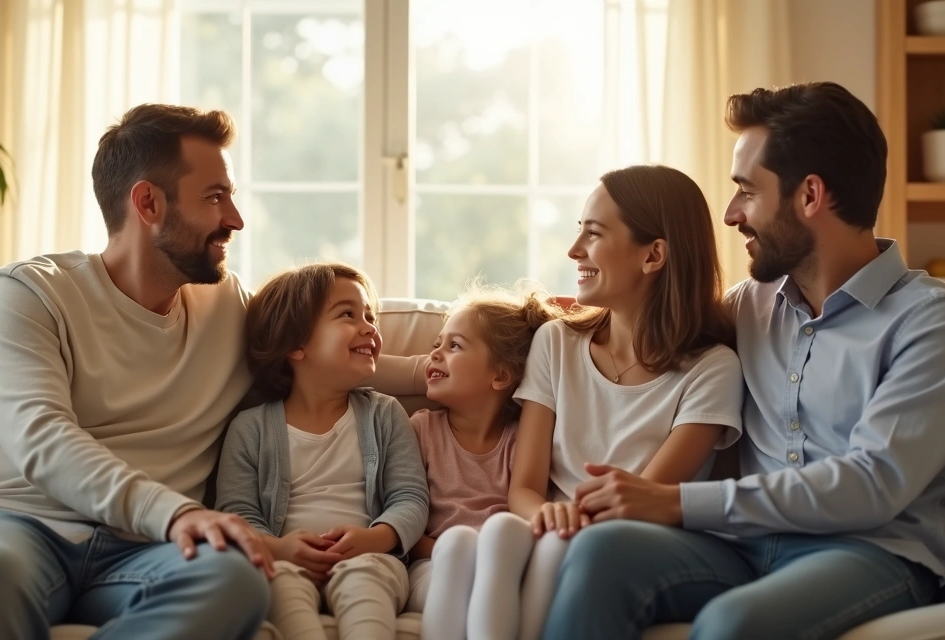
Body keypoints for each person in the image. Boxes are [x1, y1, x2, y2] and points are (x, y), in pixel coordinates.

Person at [0, 104, 414, 640]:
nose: (236, 220)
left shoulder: (225, 308)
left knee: (236, 580)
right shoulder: (26, 294)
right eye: (215, 197)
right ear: (148, 202)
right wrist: (175, 515)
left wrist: (434, 370)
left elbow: (317, 355)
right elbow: (43, 439)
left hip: (147, 553)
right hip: (11, 526)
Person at [542, 82, 945, 640]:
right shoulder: (750, 307)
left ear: (810, 196)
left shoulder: (937, 326)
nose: (732, 214)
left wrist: (677, 502)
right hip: (742, 548)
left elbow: (871, 485)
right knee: (601, 551)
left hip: (870, 553)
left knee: (733, 624)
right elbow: (651, 322)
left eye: (747, 192)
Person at [476, 164, 746, 640]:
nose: (574, 250)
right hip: (550, 535)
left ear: (654, 255)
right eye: (578, 230)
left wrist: (570, 527)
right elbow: (524, 488)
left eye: (594, 234)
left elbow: (642, 499)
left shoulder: (713, 368)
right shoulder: (556, 343)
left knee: (584, 550)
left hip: (631, 545)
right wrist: (545, 515)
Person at [216, 262, 430, 640]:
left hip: (371, 559)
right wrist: (280, 549)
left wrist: (375, 538)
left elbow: (410, 497)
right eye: (348, 314)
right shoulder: (250, 429)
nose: (369, 327)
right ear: (295, 344)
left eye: (370, 315)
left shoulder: (385, 413)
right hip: (284, 562)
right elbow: (237, 514)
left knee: (366, 577)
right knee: (277, 582)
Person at [400, 282, 561, 640]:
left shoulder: (523, 440)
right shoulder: (421, 430)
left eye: (454, 346)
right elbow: (407, 525)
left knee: (502, 539)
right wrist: (449, 545)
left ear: (500, 376)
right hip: (435, 564)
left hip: (502, 567)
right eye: (435, 345)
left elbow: (530, 520)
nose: (436, 354)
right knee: (459, 544)